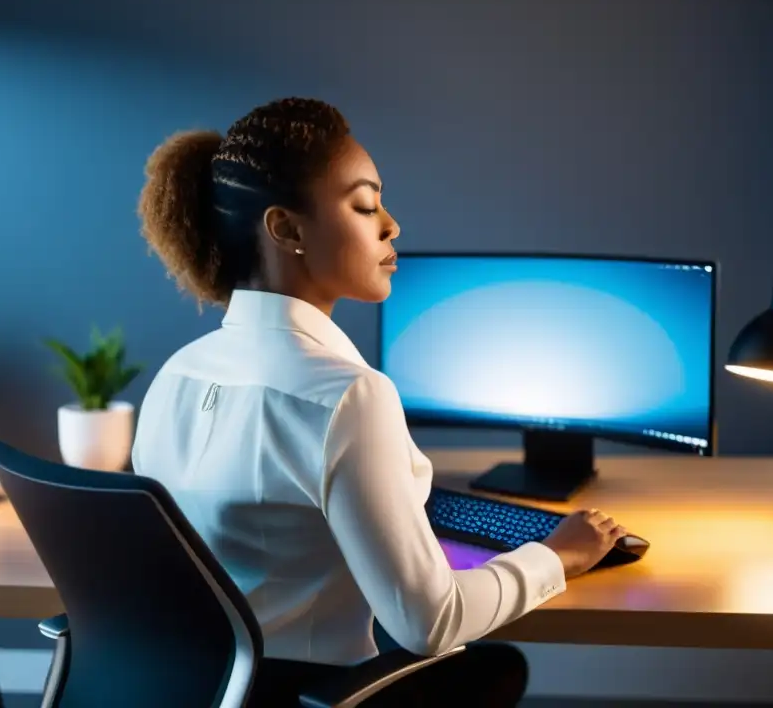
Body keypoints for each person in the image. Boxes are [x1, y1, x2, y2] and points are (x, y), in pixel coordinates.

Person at [133, 97, 626, 706]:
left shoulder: (176, 375)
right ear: (285, 229)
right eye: (365, 205)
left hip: (205, 688)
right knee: (495, 669)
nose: (391, 226)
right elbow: (431, 624)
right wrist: (555, 558)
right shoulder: (348, 395)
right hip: (312, 695)